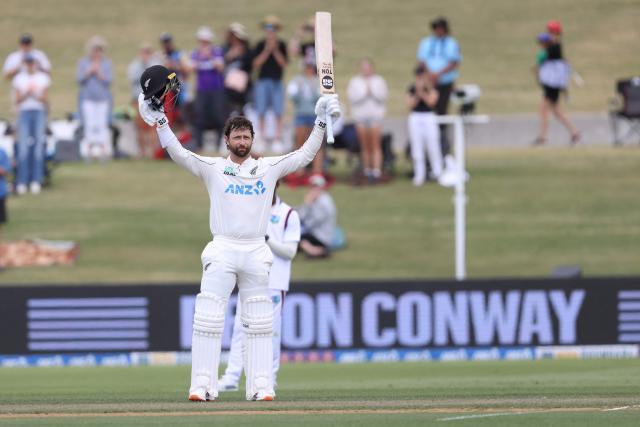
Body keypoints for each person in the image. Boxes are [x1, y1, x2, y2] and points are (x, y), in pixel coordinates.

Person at [136, 64, 340, 402]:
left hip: (257, 250)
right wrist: (160, 122)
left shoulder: (267, 168)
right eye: (237, 137)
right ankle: (201, 385)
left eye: (247, 137)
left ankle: (261, 387)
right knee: (208, 317)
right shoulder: (214, 168)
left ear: (252, 141)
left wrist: (320, 120)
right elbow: (177, 152)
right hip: (223, 247)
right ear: (227, 140)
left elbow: (305, 155)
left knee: (259, 323)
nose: (242, 141)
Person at [218, 181, 301, 391]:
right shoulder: (249, 211)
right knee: (239, 329)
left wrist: (267, 240)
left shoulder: (288, 214)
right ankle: (232, 377)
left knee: (270, 332)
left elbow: (290, 253)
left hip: (275, 282)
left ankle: (268, 378)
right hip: (249, 279)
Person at [416, 17, 461, 155]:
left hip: (445, 83)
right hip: (429, 83)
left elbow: (454, 62)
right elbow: (422, 60)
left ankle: (442, 145)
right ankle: (426, 145)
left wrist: (438, 74)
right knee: (427, 111)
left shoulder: (451, 43)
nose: (438, 31)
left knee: (442, 112)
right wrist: (430, 76)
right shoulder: (426, 42)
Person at [12, 54, 50, 194]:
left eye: (31, 62)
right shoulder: (19, 79)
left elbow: (45, 99)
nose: (29, 65)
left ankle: (36, 180)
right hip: (24, 112)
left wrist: (35, 94)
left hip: (38, 111)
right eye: (27, 63)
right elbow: (17, 100)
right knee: (23, 148)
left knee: (38, 147)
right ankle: (22, 180)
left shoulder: (42, 78)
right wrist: (26, 93)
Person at [347, 58, 388, 184]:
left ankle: (376, 170)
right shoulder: (355, 81)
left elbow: (383, 97)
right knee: (365, 145)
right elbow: (352, 98)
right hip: (361, 117)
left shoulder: (379, 81)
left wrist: (372, 91)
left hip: (375, 116)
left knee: (375, 144)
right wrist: (364, 93)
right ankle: (367, 169)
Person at [534, 36, 580, 145]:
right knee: (557, 112)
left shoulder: (552, 54)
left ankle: (542, 137)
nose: (540, 45)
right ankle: (574, 132)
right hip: (551, 88)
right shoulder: (553, 56)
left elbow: (551, 74)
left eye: (542, 43)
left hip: (551, 88)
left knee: (543, 111)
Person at [252, 15, 288, 149]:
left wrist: (276, 50)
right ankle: (261, 137)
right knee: (261, 110)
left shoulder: (282, 44)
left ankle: (277, 139)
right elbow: (255, 64)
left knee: (278, 110)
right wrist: (267, 50)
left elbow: (284, 64)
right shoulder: (260, 45)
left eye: (272, 28)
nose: (270, 31)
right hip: (262, 81)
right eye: (268, 28)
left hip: (277, 81)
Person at [286, 57, 321, 184]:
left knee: (316, 144)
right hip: (301, 114)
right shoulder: (297, 80)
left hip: (315, 114)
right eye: (307, 66)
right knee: (300, 142)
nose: (308, 69)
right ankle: (299, 170)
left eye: (310, 66)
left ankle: (317, 171)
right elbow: (293, 95)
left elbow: (321, 96)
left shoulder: (318, 81)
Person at [76, 36, 113, 161]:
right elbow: (79, 80)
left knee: (101, 124)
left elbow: (108, 81)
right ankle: (89, 150)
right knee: (90, 124)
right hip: (88, 98)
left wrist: (99, 72)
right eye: (95, 50)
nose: (97, 53)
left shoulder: (107, 63)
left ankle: (103, 150)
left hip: (102, 99)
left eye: (99, 50)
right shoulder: (83, 62)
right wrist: (89, 71)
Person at [407, 65, 442, 186]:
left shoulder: (431, 88)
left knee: (433, 145)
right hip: (416, 117)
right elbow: (410, 104)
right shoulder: (412, 88)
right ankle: (419, 175)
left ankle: (438, 172)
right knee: (417, 147)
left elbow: (431, 102)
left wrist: (422, 91)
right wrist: (417, 92)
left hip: (429, 117)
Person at [127, 42, 160, 158]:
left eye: (148, 53)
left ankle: (153, 152)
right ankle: (142, 152)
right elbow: (134, 78)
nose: (145, 55)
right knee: (140, 127)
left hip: (152, 100)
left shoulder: (156, 64)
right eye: (144, 52)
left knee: (153, 127)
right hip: (138, 100)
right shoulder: (134, 66)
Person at [297, 175, 337, 258]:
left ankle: (317, 251)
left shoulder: (324, 203)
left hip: (321, 237)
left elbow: (309, 223)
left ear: (322, 187)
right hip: (316, 233)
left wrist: (307, 203)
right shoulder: (317, 199)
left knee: (296, 238)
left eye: (316, 186)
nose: (314, 189)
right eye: (312, 186)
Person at [223, 23, 252, 118]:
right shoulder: (225, 48)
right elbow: (222, 62)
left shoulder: (247, 50)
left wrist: (241, 54)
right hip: (227, 84)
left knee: (242, 106)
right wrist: (231, 55)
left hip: (242, 85)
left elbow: (249, 65)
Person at [0, 146, 12, 227]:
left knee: (2, 220)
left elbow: (7, 169)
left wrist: (2, 170)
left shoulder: (2, 152)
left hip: (1, 192)